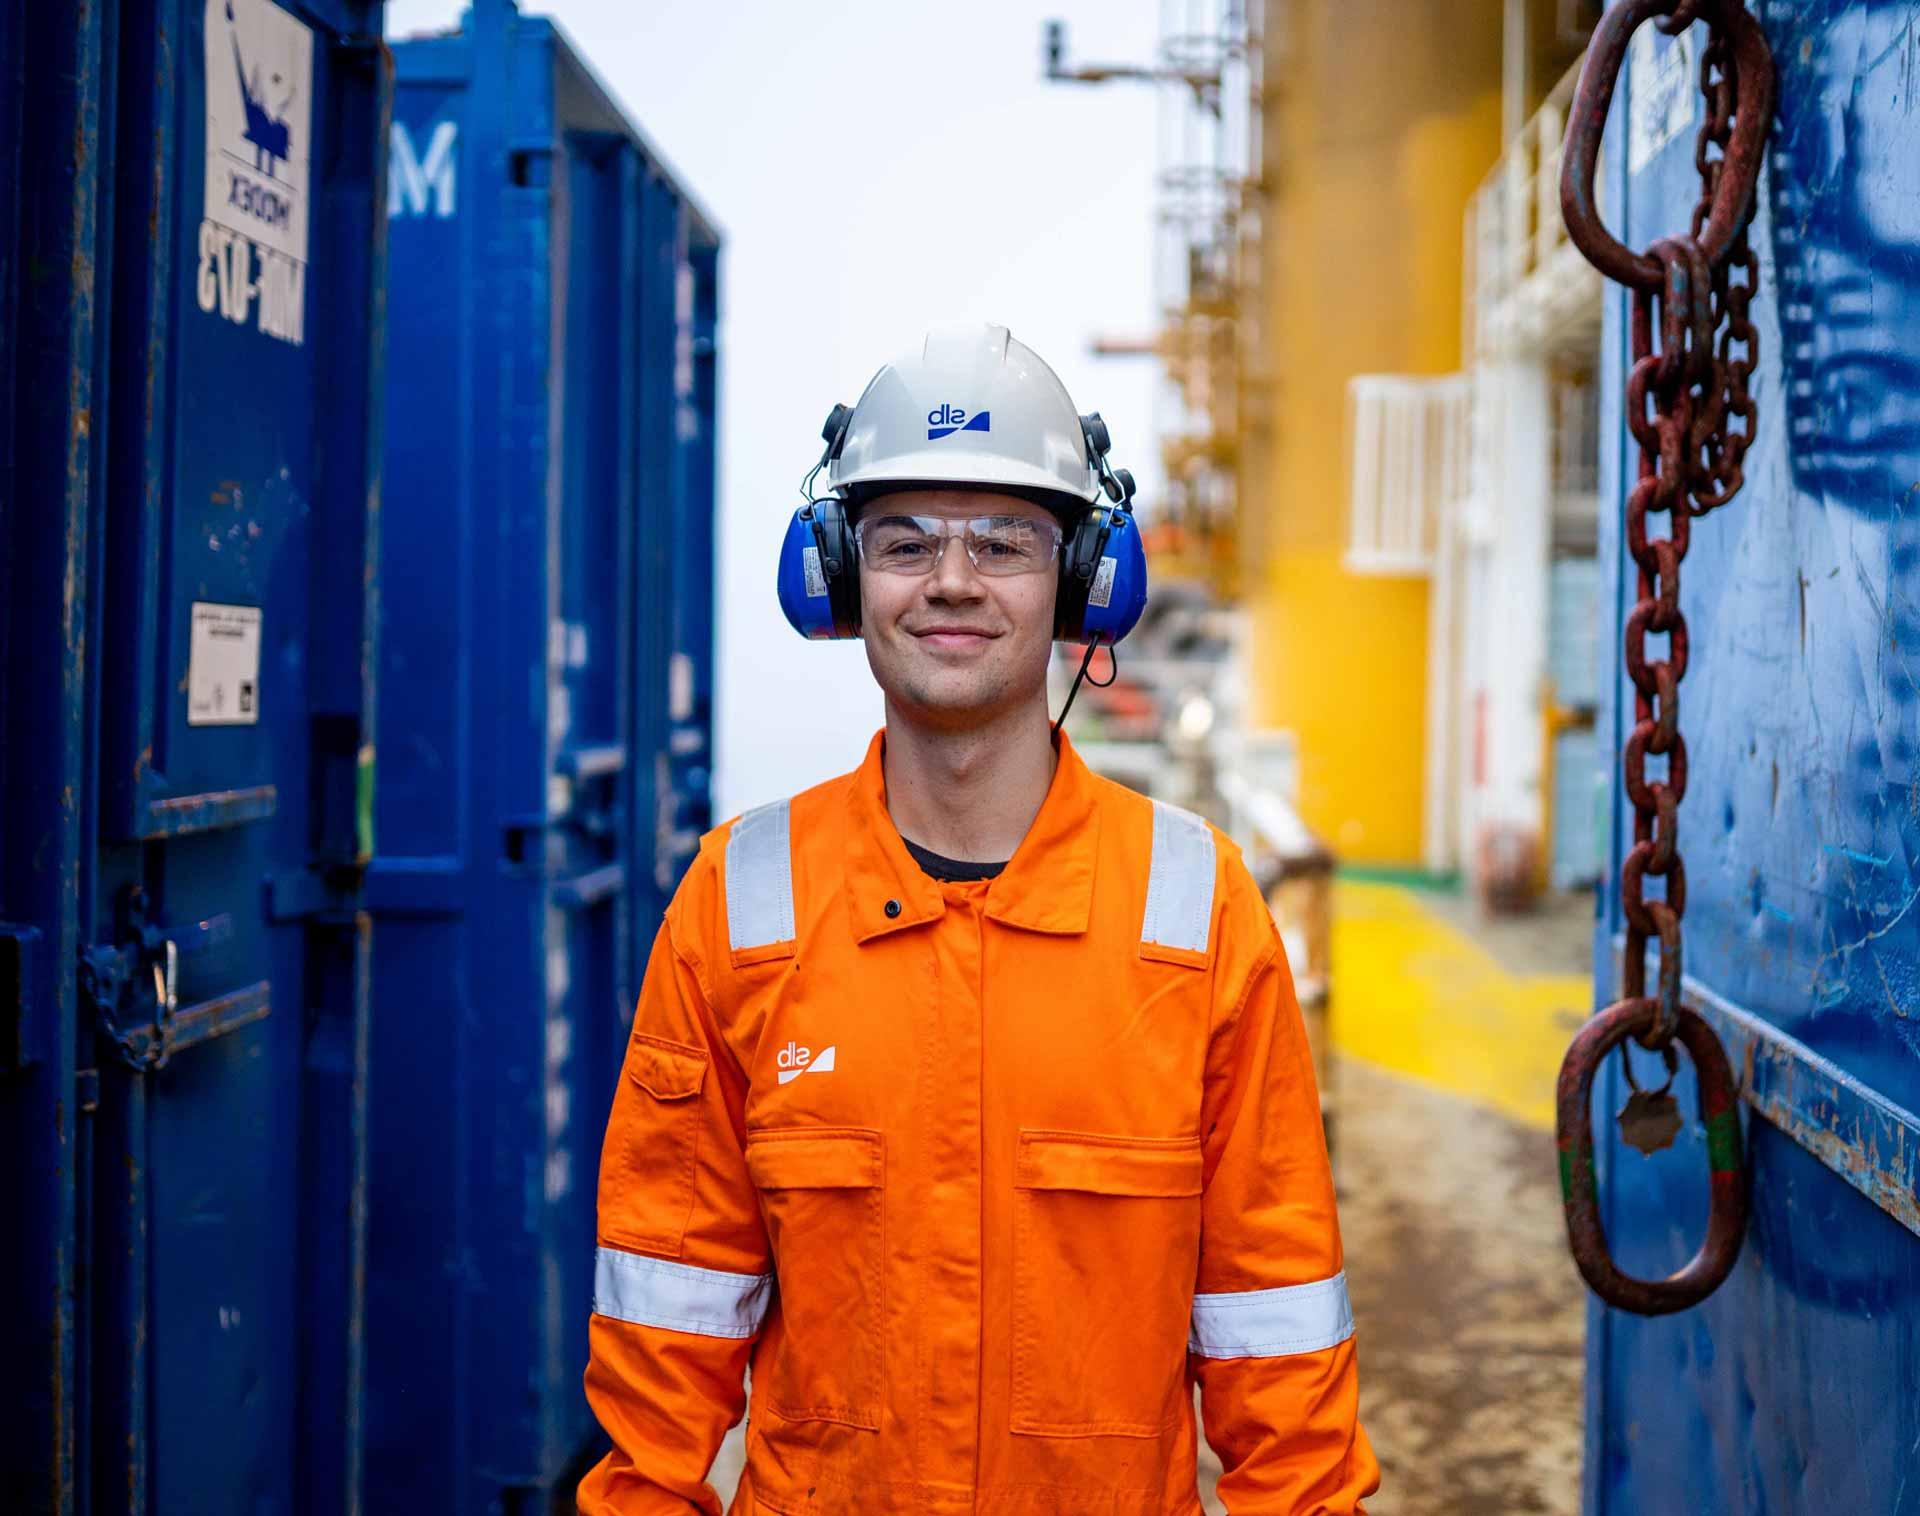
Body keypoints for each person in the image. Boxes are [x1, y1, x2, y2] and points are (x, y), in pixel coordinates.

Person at [577, 324, 1378, 1514]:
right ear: (842, 575)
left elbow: (1278, 1341)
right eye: (906, 540)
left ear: (1086, 580)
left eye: (1004, 541)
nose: (952, 580)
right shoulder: (740, 903)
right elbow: (664, 1335)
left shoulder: (1195, 911)